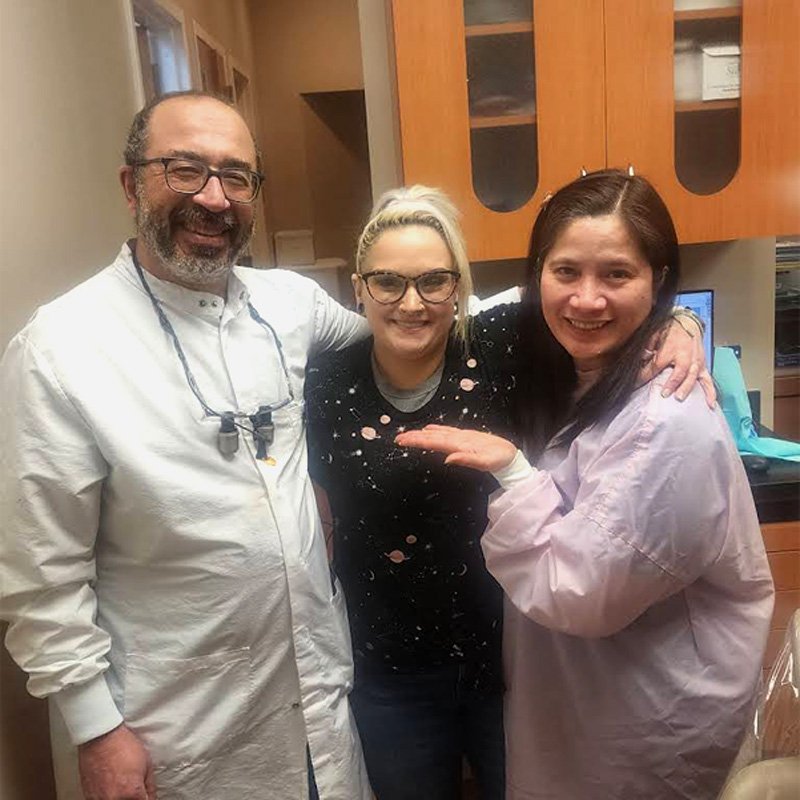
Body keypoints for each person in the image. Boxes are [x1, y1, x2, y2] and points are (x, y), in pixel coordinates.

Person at [0, 90, 371, 800]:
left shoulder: (290, 306)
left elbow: (405, 332)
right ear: (129, 182)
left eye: (237, 176)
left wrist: (648, 331)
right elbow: (41, 578)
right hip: (173, 734)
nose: (214, 197)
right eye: (184, 169)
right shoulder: (61, 349)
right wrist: (95, 729)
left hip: (315, 703)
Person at [305, 185, 711, 799]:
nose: (411, 303)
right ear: (359, 287)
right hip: (389, 670)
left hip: (517, 660)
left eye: (435, 281)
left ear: (459, 288)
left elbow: (593, 307)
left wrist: (679, 323)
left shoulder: (498, 343)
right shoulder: (322, 380)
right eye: (388, 281)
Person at [396, 169, 775, 799]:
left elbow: (579, 592)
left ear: (658, 281)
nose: (587, 299)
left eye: (617, 275)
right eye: (566, 271)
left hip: (639, 725)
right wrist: (679, 319)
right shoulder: (572, 367)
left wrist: (512, 471)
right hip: (582, 702)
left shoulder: (667, 420)